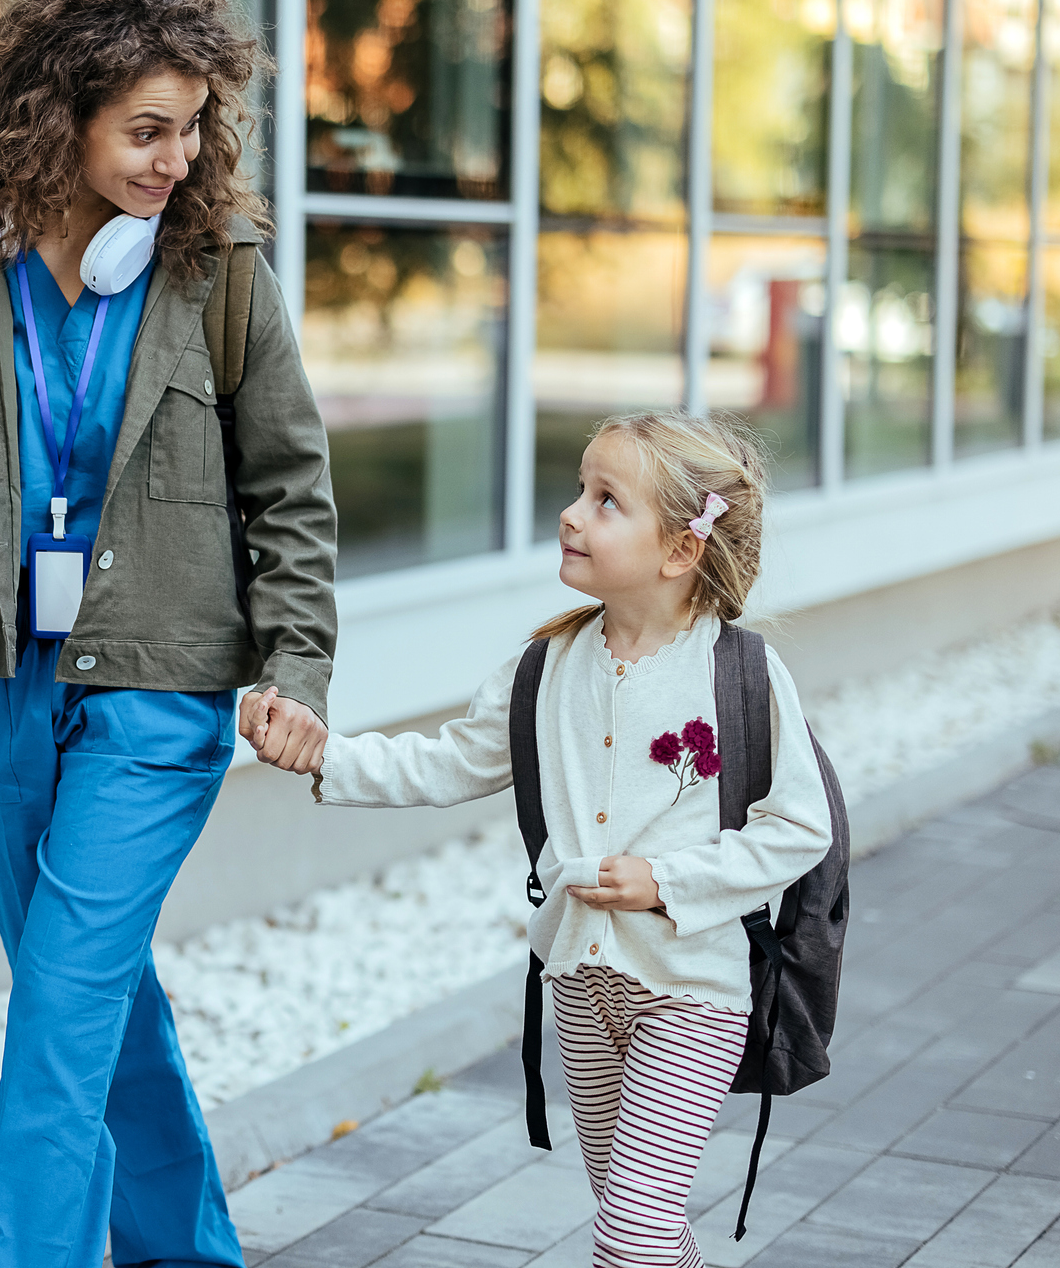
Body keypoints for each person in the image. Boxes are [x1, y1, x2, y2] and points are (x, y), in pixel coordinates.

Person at [0, 0, 337, 1268]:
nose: (177, 159)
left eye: (193, 129)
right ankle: (188, 1248)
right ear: (58, 117)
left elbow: (292, 487)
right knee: (93, 999)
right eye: (146, 130)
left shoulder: (218, 272)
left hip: (158, 681)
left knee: (60, 1008)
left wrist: (296, 665)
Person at [252, 411, 831, 1267]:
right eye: (579, 490)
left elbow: (799, 828)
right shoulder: (547, 666)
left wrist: (664, 881)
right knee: (639, 1221)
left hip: (692, 991)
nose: (571, 513)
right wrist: (323, 754)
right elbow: (448, 761)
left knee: (628, 1235)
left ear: (680, 550)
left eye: (606, 501)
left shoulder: (739, 675)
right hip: (578, 987)